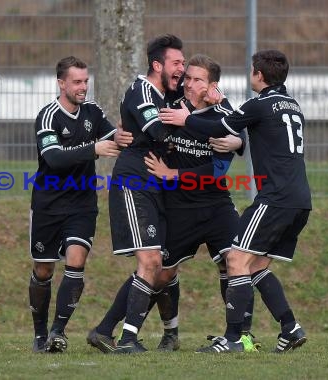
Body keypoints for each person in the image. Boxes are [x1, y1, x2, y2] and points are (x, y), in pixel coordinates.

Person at [159, 49, 311, 353]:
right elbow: (241, 129)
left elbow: (217, 127)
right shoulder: (293, 106)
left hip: (275, 198)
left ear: (259, 75)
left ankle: (232, 339)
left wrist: (186, 118)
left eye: (252, 70)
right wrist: (233, 127)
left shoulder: (259, 104)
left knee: (235, 259)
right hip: (301, 199)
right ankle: (290, 328)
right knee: (256, 265)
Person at [143, 54, 258, 353]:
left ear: (212, 87)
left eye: (197, 80)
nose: (189, 83)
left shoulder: (224, 112)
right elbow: (143, 122)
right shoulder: (169, 105)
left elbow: (224, 162)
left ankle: (241, 336)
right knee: (164, 274)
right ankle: (171, 334)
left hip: (216, 203)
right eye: (188, 77)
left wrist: (239, 141)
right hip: (179, 205)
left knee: (234, 263)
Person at [87, 34, 185, 354]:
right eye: (176, 63)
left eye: (183, 63)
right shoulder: (141, 90)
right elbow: (157, 131)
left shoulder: (172, 93)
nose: (182, 69)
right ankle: (128, 339)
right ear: (157, 65)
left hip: (161, 186)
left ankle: (104, 331)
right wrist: (189, 126)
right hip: (135, 183)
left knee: (162, 266)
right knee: (150, 260)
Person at [28, 56, 131, 354]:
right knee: (44, 270)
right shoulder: (47, 116)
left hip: (82, 202)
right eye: (76, 82)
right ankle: (39, 335)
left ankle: (57, 332)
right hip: (48, 203)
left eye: (85, 81)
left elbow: (112, 135)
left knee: (76, 261)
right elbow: (54, 158)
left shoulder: (92, 111)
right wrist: (93, 149)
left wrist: (123, 134)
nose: (83, 87)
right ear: (61, 83)